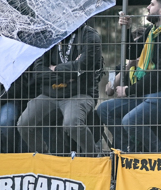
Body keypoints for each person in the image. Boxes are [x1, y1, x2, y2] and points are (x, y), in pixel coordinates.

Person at [97, 0, 161, 152]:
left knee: (131, 120)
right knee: (104, 109)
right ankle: (126, 151)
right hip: (146, 94)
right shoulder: (152, 31)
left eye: (152, 4)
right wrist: (127, 29)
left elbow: (159, 76)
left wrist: (128, 90)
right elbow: (131, 53)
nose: (148, 7)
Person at [17, 21, 102, 154]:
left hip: (80, 94)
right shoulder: (48, 36)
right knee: (24, 123)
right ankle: (44, 158)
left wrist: (55, 68)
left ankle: (93, 155)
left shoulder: (89, 35)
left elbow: (83, 66)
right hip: (49, 94)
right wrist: (68, 74)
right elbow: (38, 72)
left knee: (72, 123)